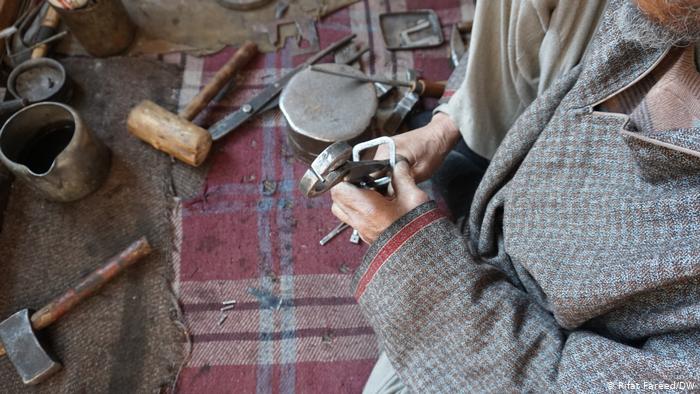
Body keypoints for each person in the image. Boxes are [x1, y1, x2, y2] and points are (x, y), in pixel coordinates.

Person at [330, 0, 700, 392]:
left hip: (523, 336)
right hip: (501, 216)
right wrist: (444, 126)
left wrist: (416, 258)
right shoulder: (669, 10)